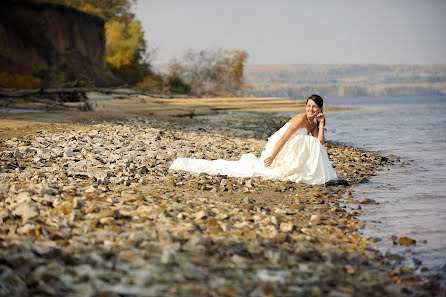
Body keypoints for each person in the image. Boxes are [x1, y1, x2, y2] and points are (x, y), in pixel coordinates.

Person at [169, 94, 338, 184]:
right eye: (308, 106)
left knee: (312, 143)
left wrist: (321, 123)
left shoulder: (314, 125)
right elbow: (284, 139)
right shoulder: (300, 119)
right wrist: (272, 156)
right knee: (305, 142)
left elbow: (320, 143)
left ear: (319, 109)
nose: (310, 109)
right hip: (280, 146)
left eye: (314, 107)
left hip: (292, 148)